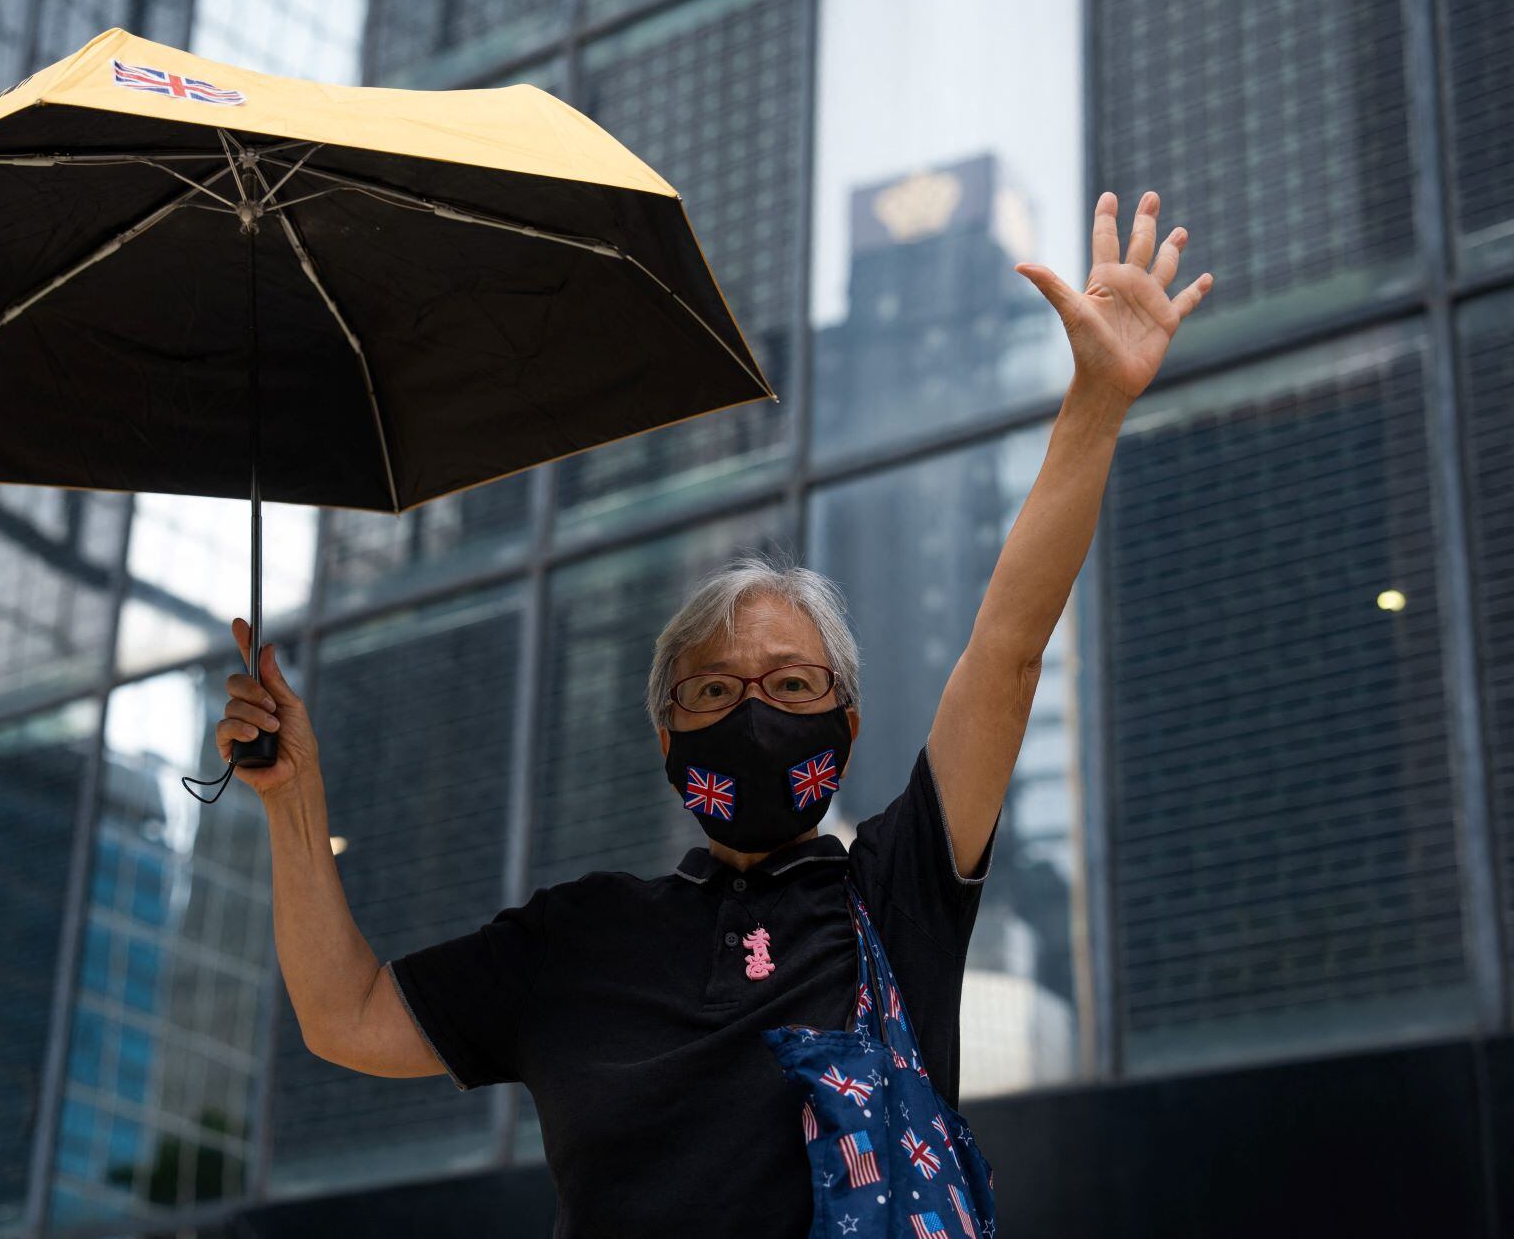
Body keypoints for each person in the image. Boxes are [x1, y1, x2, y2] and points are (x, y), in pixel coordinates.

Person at [214, 189, 1211, 1235]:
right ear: (664, 732)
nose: (753, 710)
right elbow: (349, 1015)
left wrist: (1094, 400)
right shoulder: (580, 938)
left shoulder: (893, 891)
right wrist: (293, 799)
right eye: (712, 690)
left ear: (849, 720)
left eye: (790, 684)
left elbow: (1004, 652)